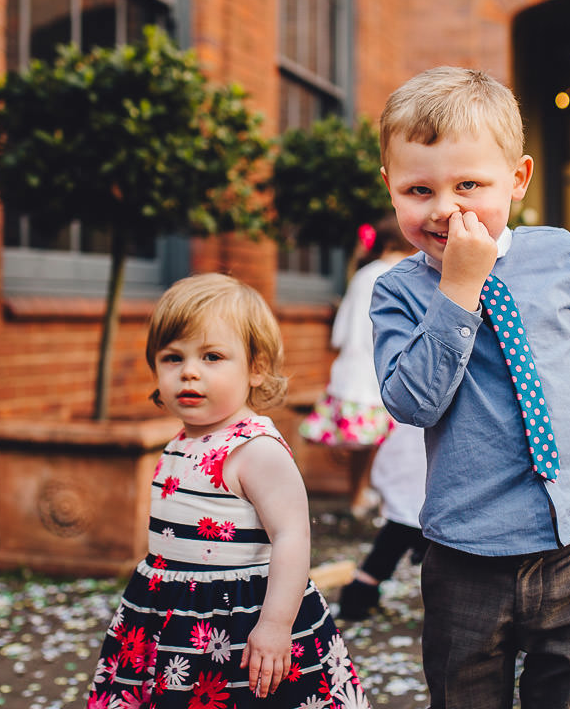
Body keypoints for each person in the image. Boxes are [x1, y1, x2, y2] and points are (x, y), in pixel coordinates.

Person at [370, 66, 570, 708]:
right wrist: (458, 290)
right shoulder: (397, 292)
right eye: (419, 189)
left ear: (519, 179)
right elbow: (411, 401)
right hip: (466, 554)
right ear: (391, 188)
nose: (445, 208)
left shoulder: (564, 257)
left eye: (469, 184)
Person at [86, 273, 370, 709]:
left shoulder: (254, 450)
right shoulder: (181, 442)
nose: (190, 372)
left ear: (255, 368)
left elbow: (292, 536)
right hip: (172, 614)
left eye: (212, 356)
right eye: (172, 358)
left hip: (237, 621)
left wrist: (275, 625)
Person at [300, 219, 415, 518]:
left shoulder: (363, 275)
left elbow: (342, 331)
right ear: (391, 248)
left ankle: (361, 495)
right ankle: (365, 495)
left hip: (358, 365)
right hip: (373, 368)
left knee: (368, 442)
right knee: (374, 441)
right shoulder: (387, 275)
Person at [336, 421, 428, 620]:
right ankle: (359, 595)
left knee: (395, 536)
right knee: (402, 535)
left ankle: (358, 595)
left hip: (406, 462)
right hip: (418, 465)